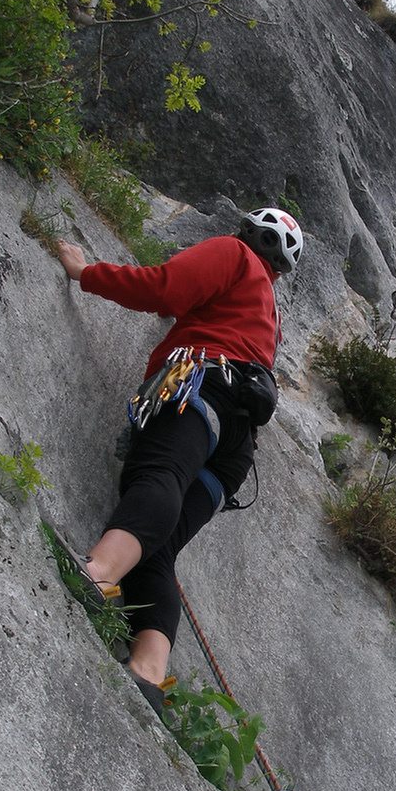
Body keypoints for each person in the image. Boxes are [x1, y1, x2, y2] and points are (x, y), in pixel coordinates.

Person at [55, 207, 303, 715]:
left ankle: (99, 571)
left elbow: (165, 290)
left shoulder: (234, 255)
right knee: (162, 550)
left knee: (160, 475)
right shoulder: (267, 314)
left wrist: (85, 272)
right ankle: (149, 669)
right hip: (238, 448)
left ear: (248, 233)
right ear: (282, 268)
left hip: (202, 387)